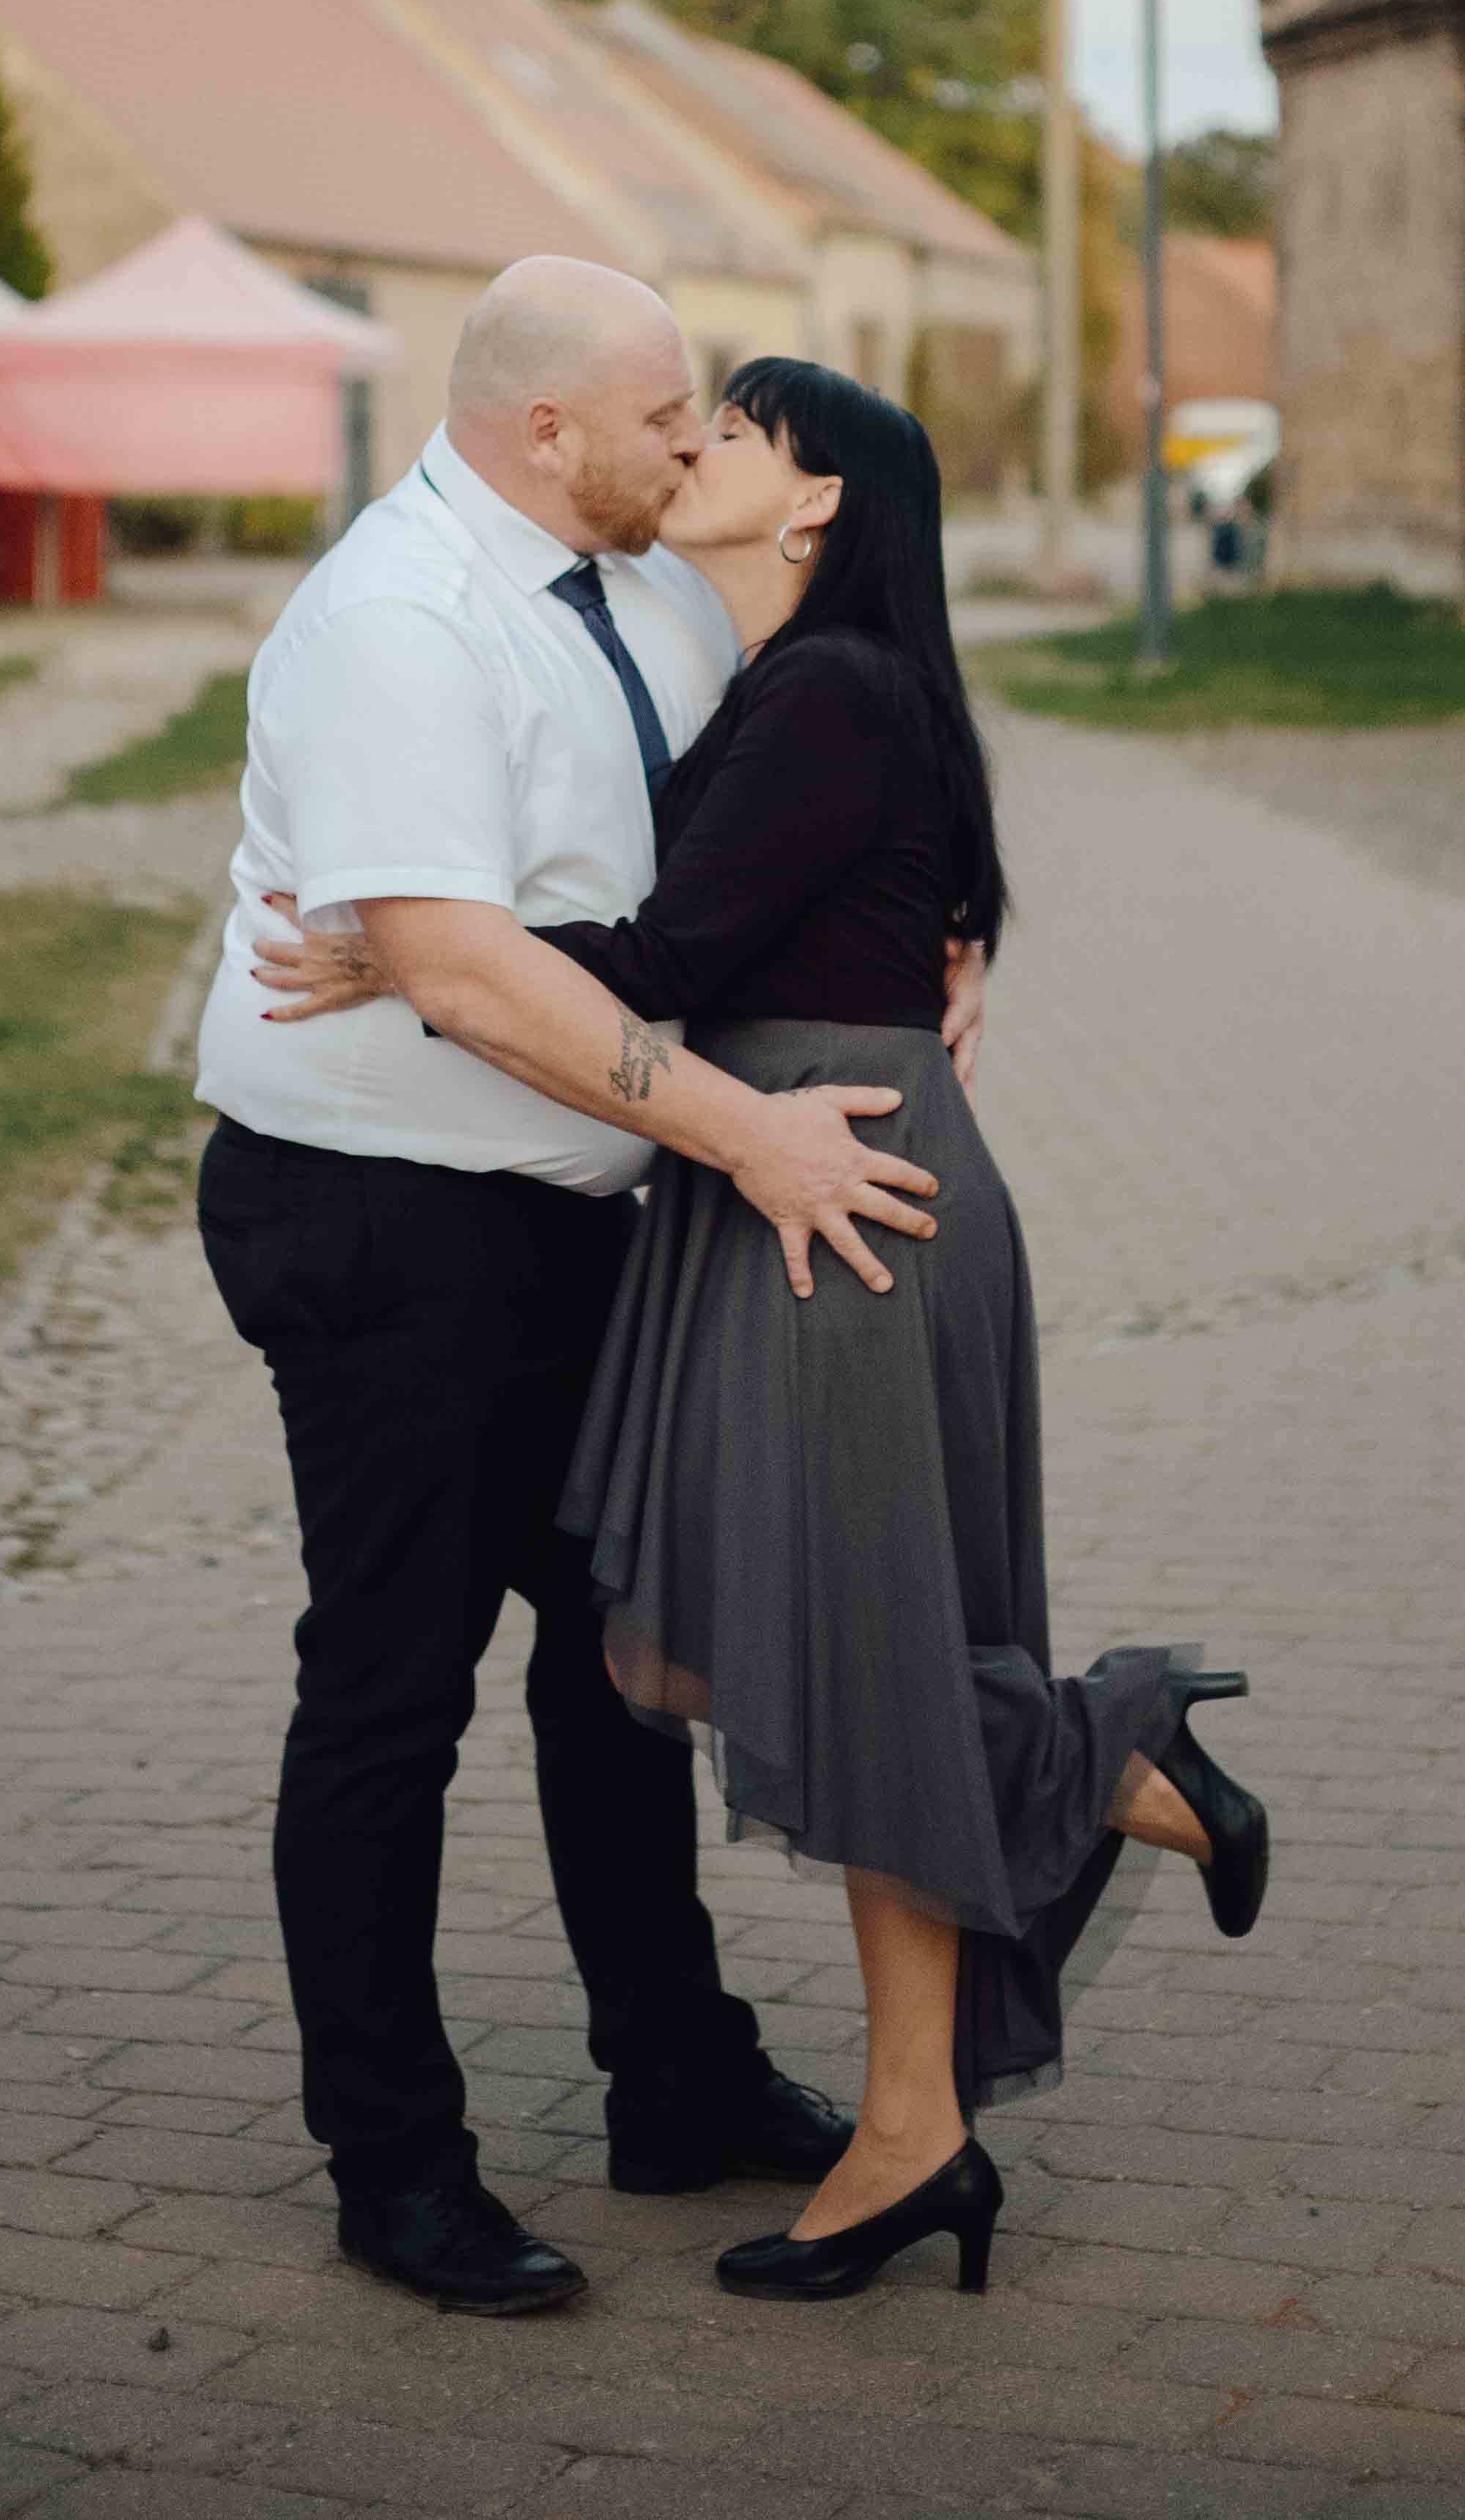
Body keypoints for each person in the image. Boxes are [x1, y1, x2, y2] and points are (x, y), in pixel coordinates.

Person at [253, 348, 1271, 2305]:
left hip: (825, 1176)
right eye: (678, 414)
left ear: (811, 500)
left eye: (732, 427)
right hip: (757, 1171)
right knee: (692, 1628)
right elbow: (871, 878)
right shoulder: (735, 648)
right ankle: (916, 2106)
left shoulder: (817, 689)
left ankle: (1107, 1762)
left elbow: (666, 954)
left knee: (783, 1621)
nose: (694, 440)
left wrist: (410, 944)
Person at [192, 259, 985, 2319]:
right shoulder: (394, 620)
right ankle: (396, 2164)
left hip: (576, 1215)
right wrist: (750, 1130)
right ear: (547, 428)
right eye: (663, 418)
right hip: (380, 1212)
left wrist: (931, 954)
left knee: (618, 1649)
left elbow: (759, 838)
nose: (693, 444)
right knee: (390, 1685)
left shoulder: (636, 578)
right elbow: (456, 973)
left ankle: (677, 2074)